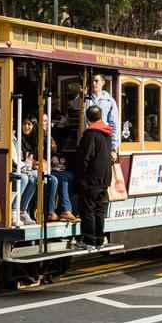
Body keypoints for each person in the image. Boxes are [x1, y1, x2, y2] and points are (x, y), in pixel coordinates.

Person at [75, 106, 113, 248]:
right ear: (101, 116)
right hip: (105, 178)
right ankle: (99, 240)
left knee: (88, 209)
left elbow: (85, 157)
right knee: (99, 210)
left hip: (91, 178)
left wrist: (81, 176)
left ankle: (89, 241)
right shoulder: (107, 133)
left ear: (87, 118)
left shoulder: (90, 134)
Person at [19, 118, 58, 223]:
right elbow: (23, 159)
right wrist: (33, 164)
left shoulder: (37, 139)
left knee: (53, 180)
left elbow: (46, 155)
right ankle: (24, 210)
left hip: (35, 168)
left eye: (29, 124)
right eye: (24, 124)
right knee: (33, 179)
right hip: (24, 169)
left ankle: (49, 211)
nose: (26, 127)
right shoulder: (19, 138)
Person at [85, 74, 119, 151]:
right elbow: (73, 105)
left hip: (103, 138)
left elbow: (114, 124)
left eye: (96, 81)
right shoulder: (85, 99)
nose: (93, 83)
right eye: (92, 81)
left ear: (103, 82)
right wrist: (82, 96)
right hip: (88, 138)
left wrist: (114, 147)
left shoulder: (109, 101)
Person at [51, 136, 78, 222]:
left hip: (64, 169)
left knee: (69, 176)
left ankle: (69, 210)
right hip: (49, 169)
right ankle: (65, 210)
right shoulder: (40, 137)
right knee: (62, 178)